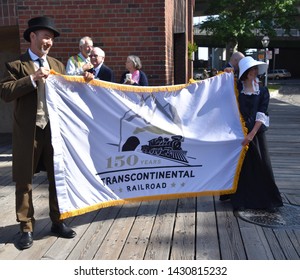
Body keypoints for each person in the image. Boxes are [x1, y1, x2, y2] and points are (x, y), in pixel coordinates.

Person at [0, 16, 76, 250]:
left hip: (54, 132)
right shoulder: (16, 65)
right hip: (28, 133)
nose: (49, 42)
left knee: (58, 178)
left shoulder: (57, 65)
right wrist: (32, 78)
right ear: (32, 37)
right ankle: (26, 228)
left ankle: (58, 221)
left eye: (52, 38)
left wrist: (85, 80)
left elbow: (70, 90)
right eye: (46, 36)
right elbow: (6, 91)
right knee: (24, 181)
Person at [229, 56, 283, 211]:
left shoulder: (263, 91)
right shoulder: (237, 89)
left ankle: (267, 201)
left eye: (255, 69)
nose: (254, 71)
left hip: (256, 134)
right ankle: (241, 200)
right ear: (245, 72)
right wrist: (227, 72)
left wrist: (251, 134)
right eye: (251, 69)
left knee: (261, 165)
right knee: (243, 167)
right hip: (239, 133)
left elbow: (262, 113)